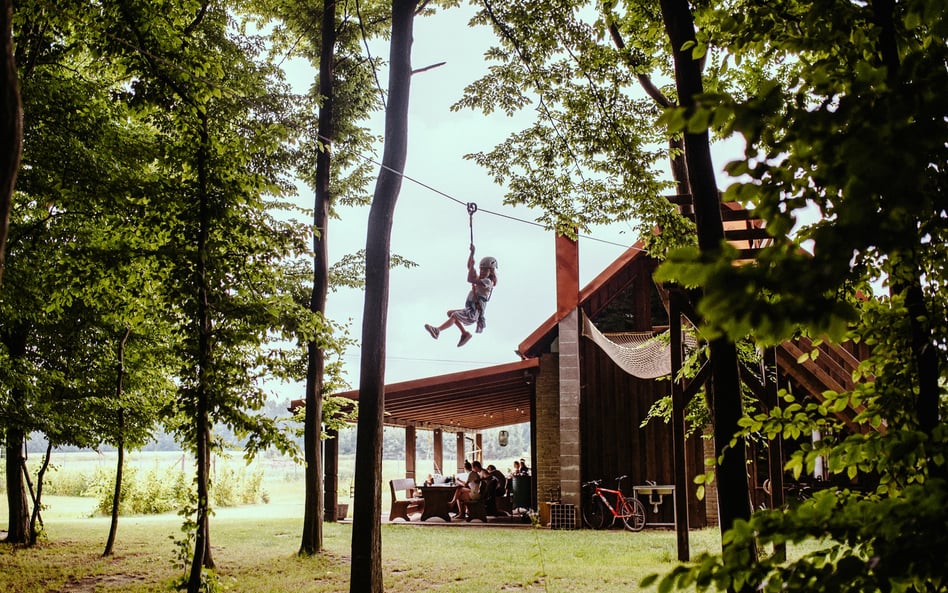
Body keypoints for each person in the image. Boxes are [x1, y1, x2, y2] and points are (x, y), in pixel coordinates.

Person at [425, 245, 498, 347]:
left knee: (454, 315)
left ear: (491, 272)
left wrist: (472, 268)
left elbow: (470, 279)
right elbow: (469, 268)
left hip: (474, 311)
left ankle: (438, 330)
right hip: (470, 309)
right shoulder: (481, 279)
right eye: (481, 269)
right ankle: (464, 333)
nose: (482, 272)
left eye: (485, 270)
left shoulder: (487, 282)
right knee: (450, 313)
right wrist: (472, 254)